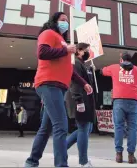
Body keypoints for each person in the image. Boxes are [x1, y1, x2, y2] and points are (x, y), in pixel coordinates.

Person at [25, 12, 93, 167]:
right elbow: (42, 53)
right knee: (61, 126)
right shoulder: (48, 33)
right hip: (48, 84)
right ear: (54, 21)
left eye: (68, 21)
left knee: (46, 128)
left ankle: (31, 161)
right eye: (63, 20)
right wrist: (66, 50)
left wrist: (84, 83)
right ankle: (61, 165)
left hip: (59, 87)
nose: (66, 23)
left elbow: (69, 69)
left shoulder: (63, 41)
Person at [101, 52, 137, 164]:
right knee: (132, 128)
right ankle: (131, 156)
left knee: (118, 127)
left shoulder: (114, 67)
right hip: (133, 101)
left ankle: (119, 155)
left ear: (121, 60)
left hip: (119, 101)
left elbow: (103, 71)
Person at [65, 43, 96, 167]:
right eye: (86, 50)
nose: (88, 52)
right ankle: (83, 162)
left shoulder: (83, 64)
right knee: (83, 128)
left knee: (86, 129)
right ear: (78, 50)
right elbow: (75, 83)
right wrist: (79, 101)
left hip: (86, 100)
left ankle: (61, 149)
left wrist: (91, 71)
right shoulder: (76, 64)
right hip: (79, 99)